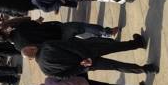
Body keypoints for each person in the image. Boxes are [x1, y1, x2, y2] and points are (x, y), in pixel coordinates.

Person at [24, 34, 153, 78]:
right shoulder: (47, 45)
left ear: (30, 59)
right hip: (87, 50)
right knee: (114, 47)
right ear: (32, 47)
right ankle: (137, 43)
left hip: (87, 65)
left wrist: (82, 66)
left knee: (116, 66)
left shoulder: (45, 71)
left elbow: (66, 75)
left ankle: (144, 69)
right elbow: (70, 46)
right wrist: (86, 56)